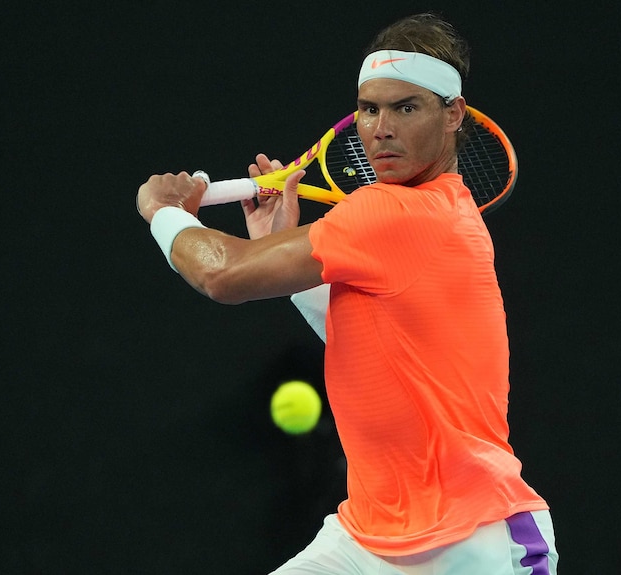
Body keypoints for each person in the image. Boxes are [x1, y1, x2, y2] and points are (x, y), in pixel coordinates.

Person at [136, 13, 558, 575]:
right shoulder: (436, 215)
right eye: (369, 108)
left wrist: (163, 214)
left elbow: (223, 275)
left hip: (474, 542)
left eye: (405, 107)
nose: (381, 127)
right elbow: (377, 341)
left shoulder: (393, 211)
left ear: (453, 114)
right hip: (368, 536)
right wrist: (278, 243)